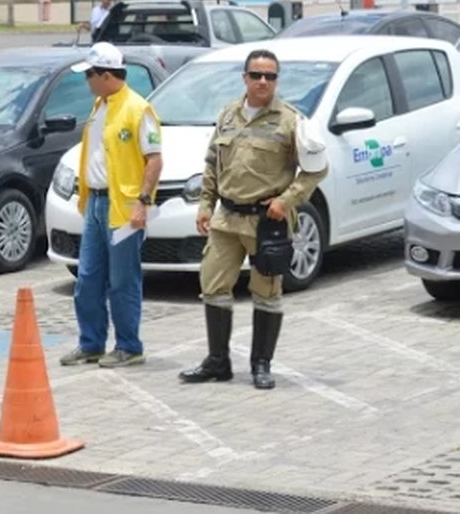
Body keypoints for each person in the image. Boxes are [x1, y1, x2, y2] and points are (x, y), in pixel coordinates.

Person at [179, 49, 328, 390]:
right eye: (256, 75)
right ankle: (218, 361)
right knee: (213, 286)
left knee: (266, 292)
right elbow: (213, 163)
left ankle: (261, 364)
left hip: (267, 222)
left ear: (276, 80)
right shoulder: (228, 115)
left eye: (270, 76)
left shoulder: (291, 120)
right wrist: (205, 204)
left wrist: (286, 201)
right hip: (227, 218)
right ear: (244, 77)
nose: (263, 81)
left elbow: (317, 170)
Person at [60, 42, 163, 369]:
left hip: (124, 209)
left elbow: (154, 160)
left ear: (105, 75)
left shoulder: (138, 109)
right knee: (87, 278)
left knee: (122, 281)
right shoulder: (99, 106)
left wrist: (143, 202)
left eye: (89, 75)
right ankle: (91, 343)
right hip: (95, 203)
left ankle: (129, 346)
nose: (86, 81)